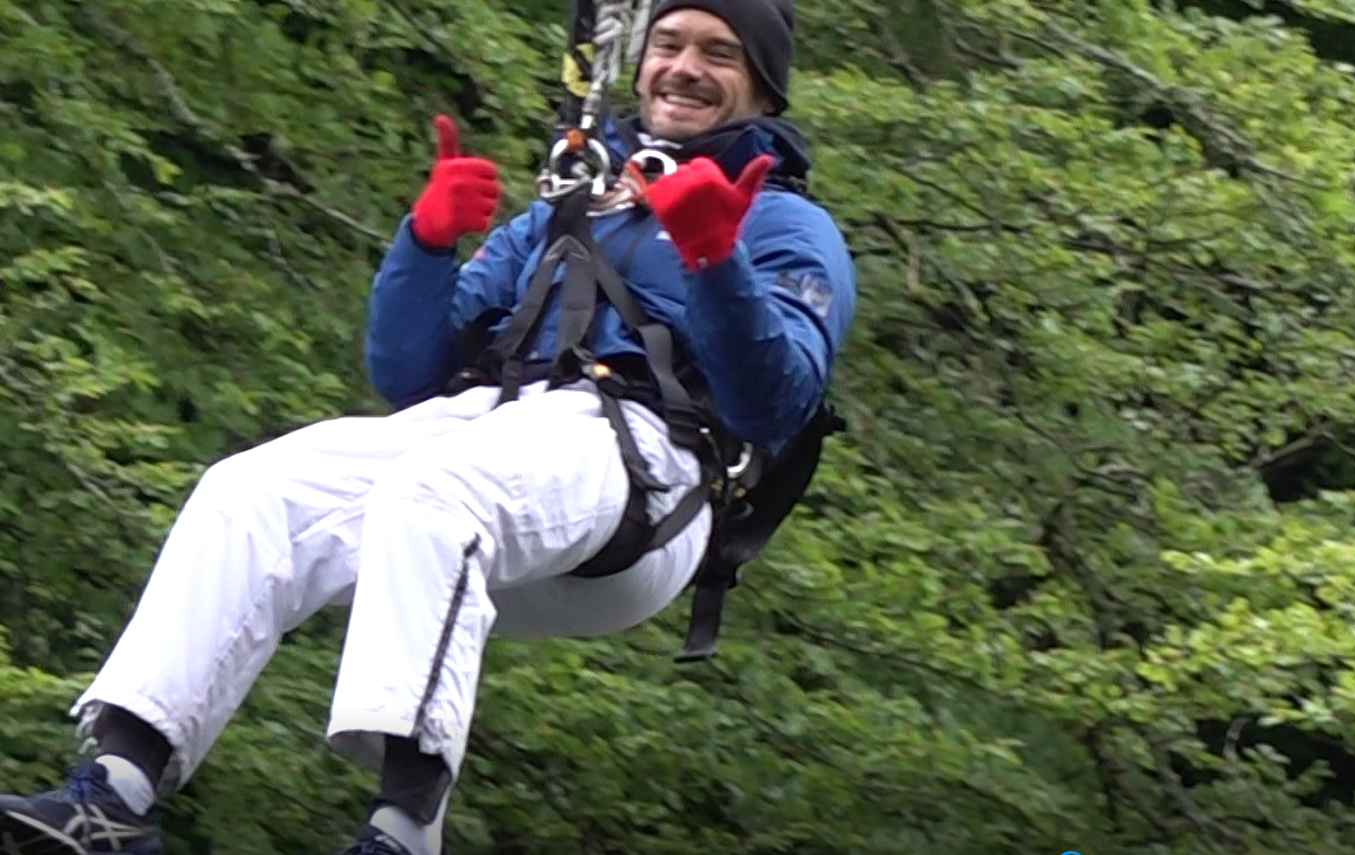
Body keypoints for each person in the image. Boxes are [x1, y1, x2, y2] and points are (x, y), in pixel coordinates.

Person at [0, 0, 855, 852]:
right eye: (668, 43)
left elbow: (772, 405)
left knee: (438, 488)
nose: (684, 67)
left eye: (719, 53)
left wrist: (716, 258)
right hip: (494, 426)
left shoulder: (788, 227)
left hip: (647, 471)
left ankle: (404, 828)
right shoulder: (575, 202)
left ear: (764, 92)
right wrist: (425, 243)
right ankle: (116, 790)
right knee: (251, 490)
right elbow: (410, 376)